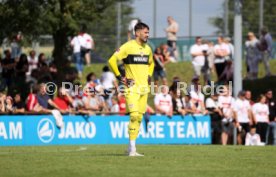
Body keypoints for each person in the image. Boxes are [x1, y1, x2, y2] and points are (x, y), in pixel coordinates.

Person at [108, 22, 154, 156]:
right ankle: (132, 149)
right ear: (138, 32)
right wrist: (120, 77)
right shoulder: (128, 47)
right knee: (133, 115)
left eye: (148, 32)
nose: (147, 35)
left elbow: (151, 64)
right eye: (145, 32)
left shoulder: (147, 49)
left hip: (144, 89)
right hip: (131, 88)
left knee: (139, 118)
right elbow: (112, 60)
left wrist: (149, 75)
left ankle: (131, 148)